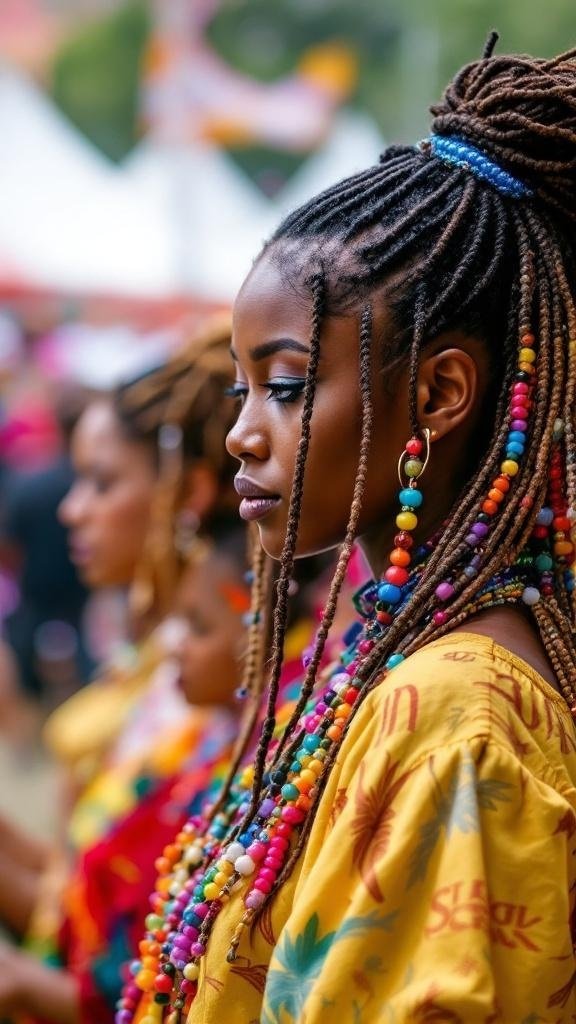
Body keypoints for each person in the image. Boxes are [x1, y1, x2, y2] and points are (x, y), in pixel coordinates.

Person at [122, 39, 576, 1024]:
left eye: (285, 386)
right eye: (243, 387)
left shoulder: (462, 721)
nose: (243, 429)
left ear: (438, 393)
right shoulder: (404, 660)